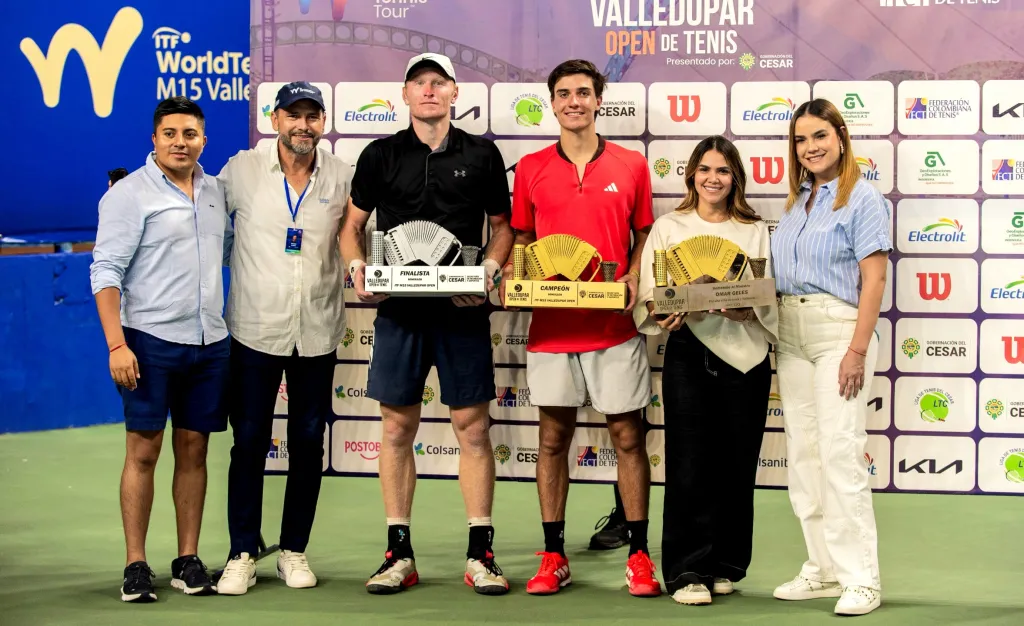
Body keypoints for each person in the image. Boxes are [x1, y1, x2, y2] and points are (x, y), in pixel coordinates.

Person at [340, 52, 514, 596]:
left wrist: (486, 271)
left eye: (439, 83)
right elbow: (352, 226)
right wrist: (357, 267)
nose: (430, 91)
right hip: (400, 311)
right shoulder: (380, 154)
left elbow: (503, 228)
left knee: (474, 429)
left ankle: (480, 554)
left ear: (455, 92)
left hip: (463, 312)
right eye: (420, 84)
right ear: (406, 95)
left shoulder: (483, 154)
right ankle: (399, 553)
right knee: (395, 430)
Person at [502, 58, 660, 597]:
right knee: (551, 441)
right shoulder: (530, 168)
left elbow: (644, 235)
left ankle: (639, 555)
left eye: (584, 93)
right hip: (550, 330)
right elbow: (522, 239)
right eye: (564, 93)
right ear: (553, 102)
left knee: (628, 438)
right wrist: (514, 276)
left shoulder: (632, 164)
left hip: (614, 328)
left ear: (599, 100)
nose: (574, 101)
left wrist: (636, 275)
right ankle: (553, 555)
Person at [89, 96, 229, 602]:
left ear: (203, 141)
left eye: (189, 134)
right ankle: (136, 564)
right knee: (143, 453)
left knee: (194, 451)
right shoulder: (128, 195)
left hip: (210, 343)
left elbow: (229, 253)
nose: (180, 143)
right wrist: (116, 345)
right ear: (154, 139)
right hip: (148, 343)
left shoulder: (216, 193)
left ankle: (187, 559)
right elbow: (105, 273)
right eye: (170, 133)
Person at [214, 82, 352, 595]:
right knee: (248, 442)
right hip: (254, 330)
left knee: (308, 444)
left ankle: (293, 550)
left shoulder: (342, 175)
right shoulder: (240, 171)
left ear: (323, 122)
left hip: (317, 331)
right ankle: (242, 552)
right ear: (274, 120)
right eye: (293, 115)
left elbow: (359, 235)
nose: (303, 125)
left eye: (312, 116)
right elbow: (201, 217)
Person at [634, 136, 778, 605]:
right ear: (691, 175)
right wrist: (664, 312)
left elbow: (765, 291)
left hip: (748, 356)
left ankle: (725, 563)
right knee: (689, 463)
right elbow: (652, 293)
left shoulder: (754, 228)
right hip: (689, 352)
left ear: (735, 177)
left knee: (737, 463)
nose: (713, 178)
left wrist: (750, 311)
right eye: (705, 169)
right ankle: (686, 570)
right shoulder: (669, 226)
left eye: (723, 170)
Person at [770, 98, 890, 616]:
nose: (810, 147)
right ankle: (822, 568)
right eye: (800, 139)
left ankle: (861, 577)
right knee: (804, 456)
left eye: (819, 135)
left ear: (840, 137)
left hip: (839, 332)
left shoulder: (863, 198)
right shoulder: (798, 201)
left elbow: (875, 278)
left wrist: (857, 350)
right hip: (790, 334)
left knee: (841, 453)